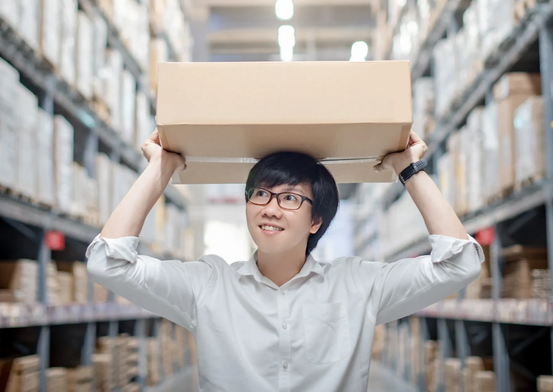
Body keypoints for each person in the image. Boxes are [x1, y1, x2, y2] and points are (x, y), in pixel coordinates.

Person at [86, 130, 483, 391]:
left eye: (290, 198)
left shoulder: (358, 285)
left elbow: (458, 264)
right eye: (260, 194)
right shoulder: (208, 285)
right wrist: (161, 168)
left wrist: (408, 169)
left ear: (316, 221)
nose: (270, 209)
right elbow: (109, 262)